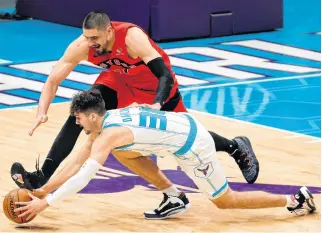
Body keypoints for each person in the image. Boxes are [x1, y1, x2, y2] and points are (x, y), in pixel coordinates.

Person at [11, 11, 258, 196]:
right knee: (81, 112)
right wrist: (41, 111)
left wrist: (159, 104)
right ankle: (42, 177)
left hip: (154, 85)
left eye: (95, 37)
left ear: (109, 31)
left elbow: (163, 74)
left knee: (186, 135)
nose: (91, 43)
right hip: (119, 81)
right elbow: (54, 78)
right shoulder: (83, 45)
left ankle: (234, 146)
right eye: (87, 38)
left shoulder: (131, 38)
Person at [14, 90, 315, 222]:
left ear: (91, 115)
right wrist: (42, 190)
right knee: (125, 154)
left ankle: (294, 199)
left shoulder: (110, 134)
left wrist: (46, 204)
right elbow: (74, 162)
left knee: (225, 202)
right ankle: (173, 196)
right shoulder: (105, 123)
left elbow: (84, 177)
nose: (75, 122)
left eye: (77, 117)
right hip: (179, 128)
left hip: (194, 146)